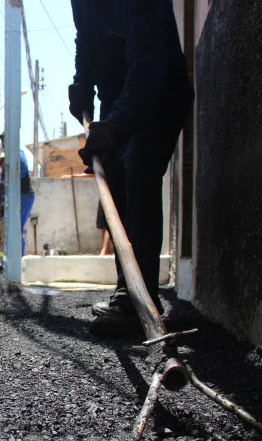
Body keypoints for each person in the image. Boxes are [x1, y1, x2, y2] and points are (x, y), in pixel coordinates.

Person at [69, 0, 195, 336]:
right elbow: (86, 38)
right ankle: (128, 292)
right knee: (116, 179)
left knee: (138, 169)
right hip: (116, 96)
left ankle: (144, 298)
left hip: (160, 92)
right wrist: (82, 83)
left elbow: (148, 70)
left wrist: (115, 126)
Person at [0, 134, 36, 258]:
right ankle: (9, 262)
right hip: (19, 196)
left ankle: (17, 262)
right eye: (2, 140)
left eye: (5, 139)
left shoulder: (17, 155)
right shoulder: (12, 155)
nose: (3, 143)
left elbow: (15, 179)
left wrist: (4, 200)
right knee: (13, 230)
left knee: (16, 230)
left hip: (23, 196)